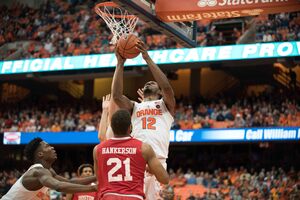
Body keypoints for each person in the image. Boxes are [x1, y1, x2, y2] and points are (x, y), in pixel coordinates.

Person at [111, 39, 175, 199]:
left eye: (153, 82)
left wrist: (147, 57)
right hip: (135, 161)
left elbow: (166, 87)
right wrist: (120, 64)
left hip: (157, 162)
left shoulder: (165, 105)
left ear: (159, 92)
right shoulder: (135, 107)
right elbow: (117, 96)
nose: (150, 82)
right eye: (147, 82)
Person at [93, 109, 169, 200]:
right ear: (130, 127)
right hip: (133, 196)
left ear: (112, 128)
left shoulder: (98, 149)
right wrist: (147, 168)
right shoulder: (144, 148)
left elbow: (99, 178)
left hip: (108, 196)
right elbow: (164, 179)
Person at [1, 138, 97, 200]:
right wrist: (94, 188)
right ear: (40, 154)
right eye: (47, 146)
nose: (52, 148)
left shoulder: (49, 171)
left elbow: (69, 182)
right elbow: (58, 186)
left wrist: (98, 176)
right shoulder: (38, 171)